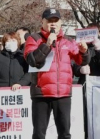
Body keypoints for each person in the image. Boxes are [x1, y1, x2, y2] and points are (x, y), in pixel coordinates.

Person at [24, 8, 92, 139]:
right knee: (39, 134)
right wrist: (47, 44)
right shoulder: (34, 39)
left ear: (61, 22)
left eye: (56, 20)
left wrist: (84, 51)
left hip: (63, 93)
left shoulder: (69, 41)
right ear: (43, 22)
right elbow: (32, 60)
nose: (53, 24)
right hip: (41, 93)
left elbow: (81, 61)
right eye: (49, 21)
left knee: (65, 133)